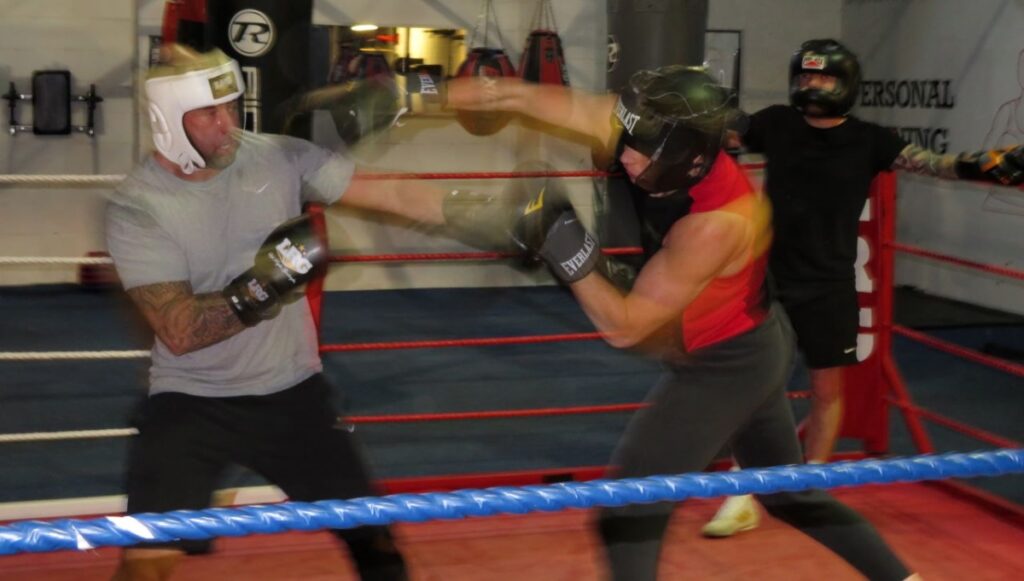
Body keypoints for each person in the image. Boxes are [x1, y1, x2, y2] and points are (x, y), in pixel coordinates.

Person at [446, 65, 922, 580]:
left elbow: (626, 327)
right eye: (624, 140)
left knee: (627, 513)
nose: (622, 155)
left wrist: (564, 248)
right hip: (753, 338)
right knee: (792, 498)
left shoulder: (718, 223)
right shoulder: (651, 131)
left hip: (727, 363)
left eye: (638, 151)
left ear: (684, 159)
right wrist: (447, 92)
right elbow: (552, 103)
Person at [105, 45, 450, 581]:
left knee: (376, 542)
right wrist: (267, 284)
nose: (228, 125)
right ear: (167, 122)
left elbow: (390, 193)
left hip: (293, 394)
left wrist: (486, 213)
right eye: (209, 114)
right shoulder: (138, 207)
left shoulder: (276, 155)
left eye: (232, 107)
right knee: (146, 563)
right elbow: (179, 330)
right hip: (193, 402)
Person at [702, 38, 1024, 538]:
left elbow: (929, 163)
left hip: (830, 283)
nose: (813, 86)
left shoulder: (870, 139)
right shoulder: (776, 123)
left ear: (845, 83)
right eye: (807, 77)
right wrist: (677, 117)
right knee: (755, 387)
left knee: (828, 390)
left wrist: (978, 164)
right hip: (768, 277)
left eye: (823, 78)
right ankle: (742, 492)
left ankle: (808, 488)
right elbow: (724, 134)